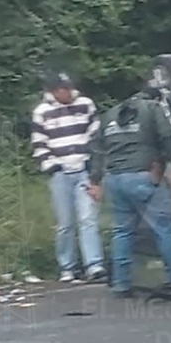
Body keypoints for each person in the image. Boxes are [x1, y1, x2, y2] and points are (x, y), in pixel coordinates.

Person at [86, 87, 171, 298]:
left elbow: (96, 148)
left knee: (122, 232)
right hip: (143, 177)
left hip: (115, 180)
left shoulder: (110, 114)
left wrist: (95, 181)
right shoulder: (153, 108)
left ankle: (121, 284)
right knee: (164, 229)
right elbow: (166, 136)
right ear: (156, 98)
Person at [31, 71, 106, 282]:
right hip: (60, 173)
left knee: (87, 219)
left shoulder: (86, 105)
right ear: (54, 91)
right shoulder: (42, 112)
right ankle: (67, 267)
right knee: (65, 223)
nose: (68, 92)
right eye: (63, 89)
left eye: (69, 87)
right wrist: (53, 167)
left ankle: (94, 265)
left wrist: (95, 172)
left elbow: (95, 137)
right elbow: (39, 144)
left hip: (84, 170)